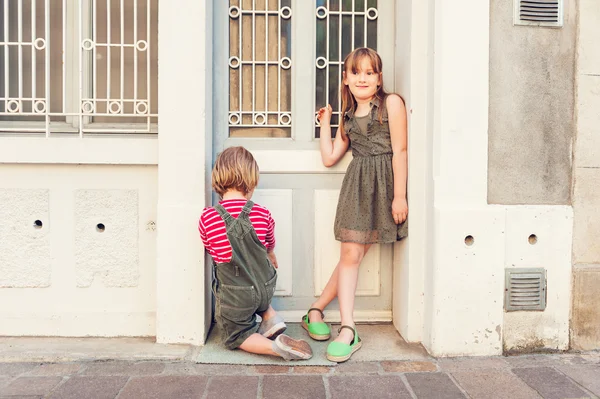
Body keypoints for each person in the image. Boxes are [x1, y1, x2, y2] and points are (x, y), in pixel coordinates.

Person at [305, 47, 408, 362]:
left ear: (379, 79)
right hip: (358, 189)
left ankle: (316, 310)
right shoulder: (348, 117)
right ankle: (348, 329)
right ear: (346, 79)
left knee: (354, 254)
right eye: (356, 72)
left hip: (385, 188)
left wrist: (400, 195)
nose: (362, 78)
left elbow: (401, 151)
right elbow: (329, 157)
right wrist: (326, 123)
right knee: (350, 254)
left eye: (369, 72)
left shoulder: (391, 104)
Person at [199, 146, 312, 361]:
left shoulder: (209, 217)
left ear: (218, 178)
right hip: (265, 288)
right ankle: (269, 315)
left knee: (236, 335)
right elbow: (269, 243)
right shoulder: (262, 214)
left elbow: (211, 248)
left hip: (237, 296)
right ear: (251, 181)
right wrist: (270, 252)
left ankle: (275, 347)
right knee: (255, 281)